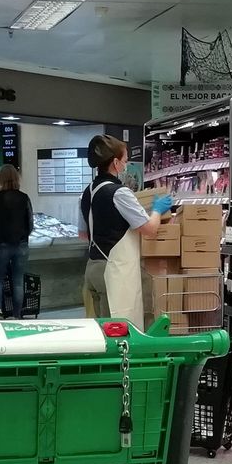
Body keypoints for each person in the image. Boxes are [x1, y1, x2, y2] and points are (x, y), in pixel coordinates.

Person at [79, 134, 172, 324]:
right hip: (114, 272)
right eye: (125, 161)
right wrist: (157, 210)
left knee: (100, 328)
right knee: (119, 331)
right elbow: (149, 229)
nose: (126, 165)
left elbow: (82, 233)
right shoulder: (119, 193)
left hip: (93, 269)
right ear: (115, 163)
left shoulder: (87, 192)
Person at [0, 162, 33, 318]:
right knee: (18, 281)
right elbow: (30, 223)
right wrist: (23, 236)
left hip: (0, 245)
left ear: (0, 178)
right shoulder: (24, 198)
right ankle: (17, 314)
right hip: (20, 245)